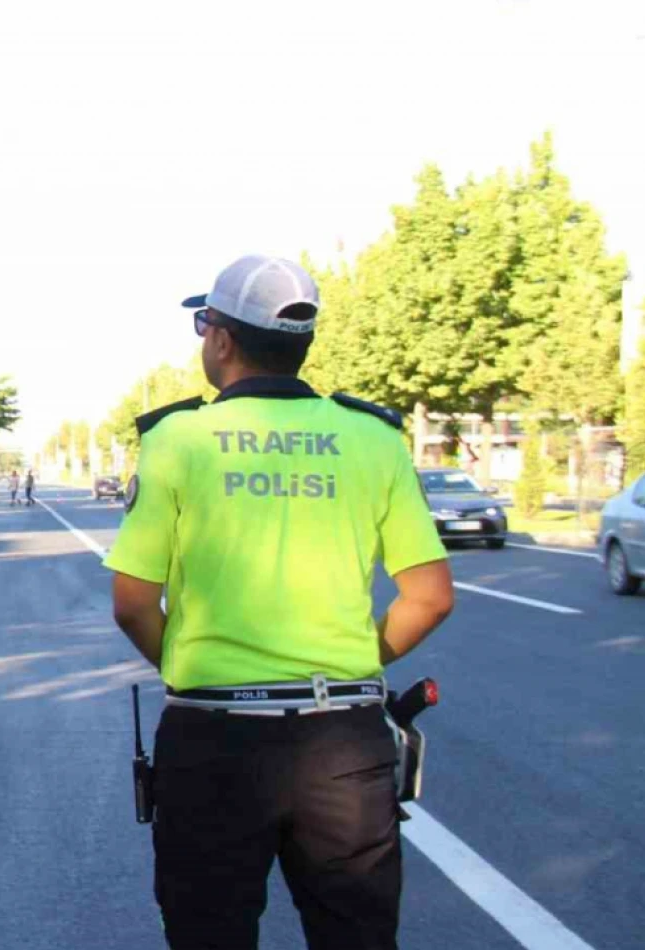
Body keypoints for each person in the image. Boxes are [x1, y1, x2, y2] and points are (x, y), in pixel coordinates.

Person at [103, 255, 454, 949]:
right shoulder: (375, 440)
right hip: (344, 743)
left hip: (213, 742)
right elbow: (430, 597)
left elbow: (133, 603)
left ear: (223, 340)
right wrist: (352, 658)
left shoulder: (177, 441)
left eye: (204, 324)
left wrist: (186, 661)